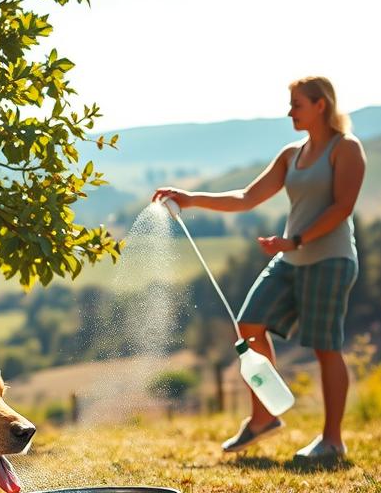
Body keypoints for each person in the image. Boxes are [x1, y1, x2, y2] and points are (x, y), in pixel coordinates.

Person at [153, 76, 366, 460]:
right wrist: (190, 198)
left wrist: (296, 240)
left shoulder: (345, 149)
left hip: (329, 259)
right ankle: (263, 417)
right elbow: (247, 197)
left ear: (321, 105)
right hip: (290, 257)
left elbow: (342, 208)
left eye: (297, 104)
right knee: (249, 324)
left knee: (325, 347)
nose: (290, 112)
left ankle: (332, 440)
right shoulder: (292, 154)